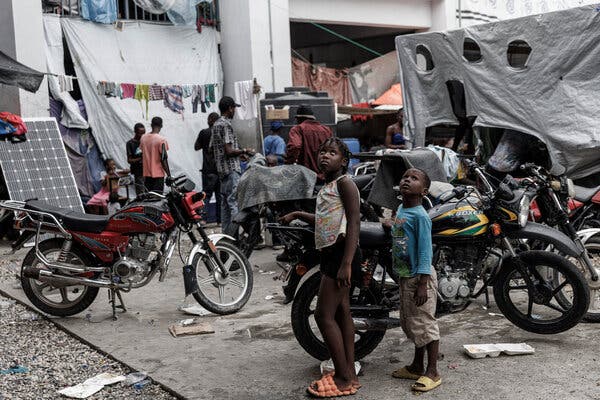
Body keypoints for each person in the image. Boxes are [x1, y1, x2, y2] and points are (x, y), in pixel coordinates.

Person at [281, 137, 361, 397]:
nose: (325, 156)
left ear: (344, 160)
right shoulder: (329, 184)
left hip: (340, 254)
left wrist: (346, 263)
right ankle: (349, 371)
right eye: (322, 152)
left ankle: (343, 377)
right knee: (341, 313)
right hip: (332, 253)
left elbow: (353, 224)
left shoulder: (346, 184)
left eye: (332, 152)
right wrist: (299, 215)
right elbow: (328, 218)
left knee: (322, 315)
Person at [385, 168, 441, 393]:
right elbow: (400, 231)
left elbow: (426, 252)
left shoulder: (420, 216)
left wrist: (422, 284)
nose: (407, 179)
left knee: (425, 325)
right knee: (412, 323)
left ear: (424, 190)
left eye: (414, 178)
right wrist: (391, 225)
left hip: (419, 278)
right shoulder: (401, 208)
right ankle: (417, 366)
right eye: (405, 176)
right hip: (406, 276)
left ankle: (433, 371)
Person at [211, 96, 254, 236]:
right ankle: (238, 234)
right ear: (230, 108)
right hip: (231, 170)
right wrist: (244, 151)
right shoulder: (226, 125)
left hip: (221, 170)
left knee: (225, 206)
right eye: (234, 108)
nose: (234, 110)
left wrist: (237, 154)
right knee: (234, 203)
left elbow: (212, 149)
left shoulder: (216, 124)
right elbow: (229, 151)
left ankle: (226, 236)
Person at [285, 105, 332, 180]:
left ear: (299, 118)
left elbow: (295, 146)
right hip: (325, 176)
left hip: (307, 177)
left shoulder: (298, 129)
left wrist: (288, 164)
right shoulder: (326, 130)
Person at [195, 112, 221, 224]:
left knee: (206, 194)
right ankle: (220, 220)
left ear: (210, 120)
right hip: (220, 170)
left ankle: (203, 219)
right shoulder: (221, 134)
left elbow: (196, 147)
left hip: (208, 169)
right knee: (220, 196)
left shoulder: (204, 132)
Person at [139, 116, 170, 194]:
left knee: (148, 199)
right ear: (161, 126)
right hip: (158, 176)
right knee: (157, 199)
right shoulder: (161, 140)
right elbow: (163, 159)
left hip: (147, 175)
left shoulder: (143, 138)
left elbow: (141, 152)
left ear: (151, 125)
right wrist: (169, 174)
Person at [126, 123, 145, 194]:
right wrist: (141, 159)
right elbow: (129, 160)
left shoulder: (145, 142)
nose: (143, 135)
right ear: (135, 132)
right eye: (140, 133)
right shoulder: (130, 143)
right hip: (138, 172)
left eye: (144, 133)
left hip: (148, 172)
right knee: (141, 193)